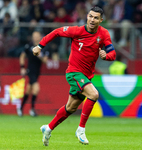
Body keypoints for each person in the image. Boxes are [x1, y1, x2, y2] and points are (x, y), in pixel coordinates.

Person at [32, 6, 116, 146]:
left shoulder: (104, 34)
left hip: (86, 76)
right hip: (74, 72)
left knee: (70, 107)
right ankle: (81, 129)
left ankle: (48, 128)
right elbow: (57, 32)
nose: (92, 20)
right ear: (87, 17)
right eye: (90, 16)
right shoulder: (77, 31)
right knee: (94, 94)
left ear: (101, 20)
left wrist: (106, 56)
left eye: (96, 18)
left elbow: (112, 54)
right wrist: (40, 46)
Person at [17, 31, 49, 117]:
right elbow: (22, 56)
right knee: (36, 89)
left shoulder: (43, 47)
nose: (35, 38)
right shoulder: (28, 46)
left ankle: (20, 108)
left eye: (36, 36)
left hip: (37, 72)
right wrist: (22, 67)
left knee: (28, 90)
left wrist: (40, 56)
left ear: (40, 37)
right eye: (33, 36)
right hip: (30, 71)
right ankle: (32, 109)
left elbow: (45, 61)